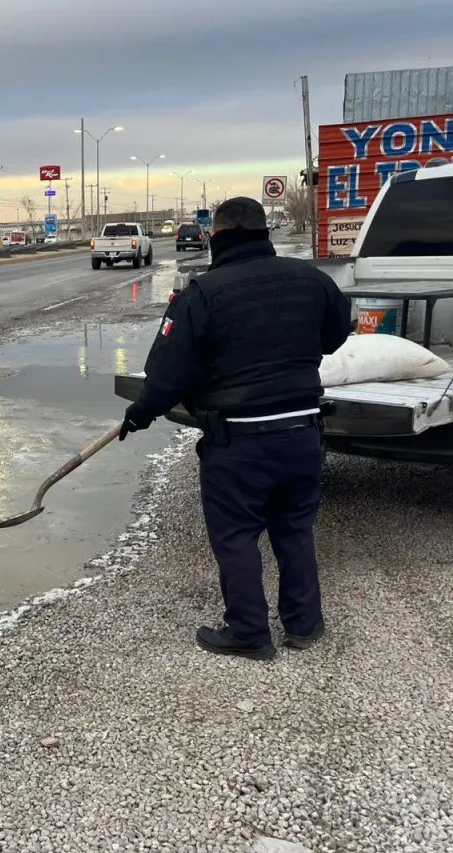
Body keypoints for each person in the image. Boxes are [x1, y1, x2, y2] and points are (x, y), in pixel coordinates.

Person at [119, 197, 351, 660]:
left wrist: (139, 414)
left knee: (236, 536)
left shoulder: (201, 294)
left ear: (215, 236)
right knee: (294, 529)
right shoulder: (314, 281)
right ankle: (304, 624)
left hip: (239, 442)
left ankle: (249, 632)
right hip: (303, 433)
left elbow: (167, 374)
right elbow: (335, 336)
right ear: (265, 233)